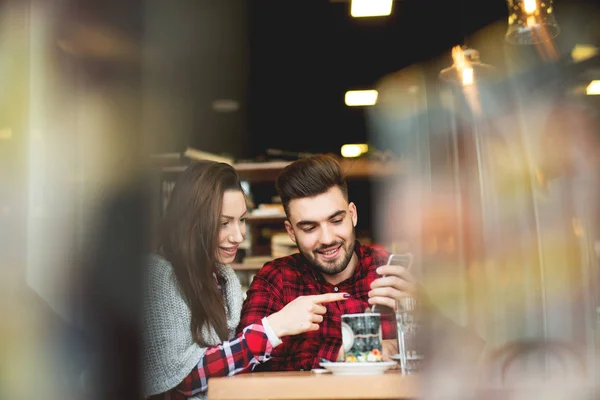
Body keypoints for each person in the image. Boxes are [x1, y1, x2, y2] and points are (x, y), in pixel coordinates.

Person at [142, 161, 348, 399]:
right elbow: (178, 381)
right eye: (223, 223)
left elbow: (237, 365)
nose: (238, 235)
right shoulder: (158, 276)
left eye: (242, 220)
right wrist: (273, 328)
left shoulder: (223, 279)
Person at [238, 154, 420, 371]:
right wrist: (346, 352)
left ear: (352, 215)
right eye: (309, 228)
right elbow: (244, 364)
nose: (327, 239)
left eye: (336, 221)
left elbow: (457, 349)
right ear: (291, 232)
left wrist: (417, 316)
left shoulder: (390, 270)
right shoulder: (276, 279)